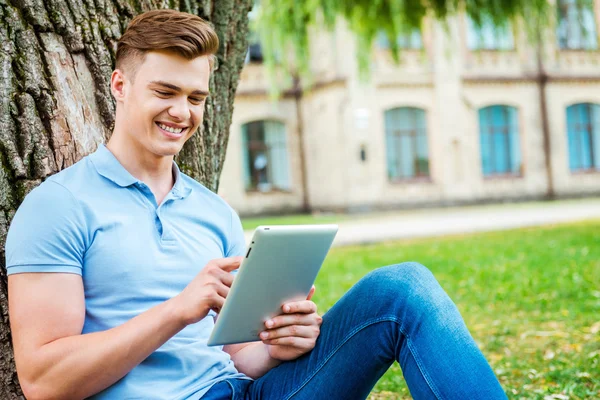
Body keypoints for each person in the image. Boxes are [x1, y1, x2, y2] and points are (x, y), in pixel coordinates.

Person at [5, 9, 507, 400]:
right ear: (120, 85)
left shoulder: (212, 212)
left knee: (403, 288)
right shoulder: (59, 206)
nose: (181, 113)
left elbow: (240, 355)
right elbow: (45, 382)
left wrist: (278, 343)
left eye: (196, 98)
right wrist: (178, 310)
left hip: (250, 392)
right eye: (165, 92)